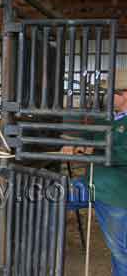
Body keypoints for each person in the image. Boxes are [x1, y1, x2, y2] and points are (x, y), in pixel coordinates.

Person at [63, 76, 127, 276]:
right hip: (89, 185)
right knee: (52, 198)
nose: (108, 96)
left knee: (120, 252)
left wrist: (92, 150)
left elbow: (122, 153)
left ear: (125, 95)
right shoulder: (110, 117)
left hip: (115, 194)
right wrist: (74, 142)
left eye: (113, 92)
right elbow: (89, 135)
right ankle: (47, 252)